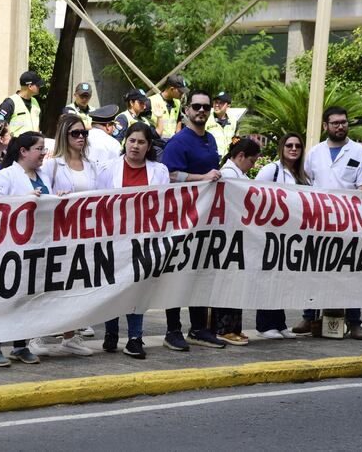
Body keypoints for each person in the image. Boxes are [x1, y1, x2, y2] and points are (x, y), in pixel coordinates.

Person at [294, 106, 362, 340]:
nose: (340, 126)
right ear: (325, 126)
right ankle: (309, 317)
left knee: (350, 272)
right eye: (335, 123)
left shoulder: (359, 152)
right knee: (315, 269)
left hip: (349, 223)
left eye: (344, 122)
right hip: (319, 223)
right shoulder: (315, 153)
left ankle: (355, 322)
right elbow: (306, 182)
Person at [98, 122, 171, 359]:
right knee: (113, 288)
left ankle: (135, 338)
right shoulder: (108, 169)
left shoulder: (159, 171)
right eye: (132, 141)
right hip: (114, 240)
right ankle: (111, 333)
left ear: (149, 146)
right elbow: (97, 202)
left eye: (141, 142)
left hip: (143, 242)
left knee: (136, 290)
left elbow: (164, 205)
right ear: (125, 142)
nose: (135, 146)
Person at [28, 114, 98, 358]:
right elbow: (43, 193)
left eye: (84, 133)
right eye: (75, 133)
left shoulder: (91, 164)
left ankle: (70, 336)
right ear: (64, 136)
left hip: (83, 233)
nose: (81, 137)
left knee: (75, 286)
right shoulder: (53, 164)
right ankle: (35, 335)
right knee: (49, 285)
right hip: (57, 233)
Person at [160, 90, 225, 350]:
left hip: (207, 219)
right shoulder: (178, 142)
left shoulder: (210, 139)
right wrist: (203, 178)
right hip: (181, 217)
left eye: (206, 107)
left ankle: (198, 329)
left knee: (201, 273)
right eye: (196, 106)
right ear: (186, 110)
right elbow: (170, 175)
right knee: (176, 274)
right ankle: (172, 330)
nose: (201, 110)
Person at [0, 131, 51, 367]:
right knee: (5, 298)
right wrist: (24, 199)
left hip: (37, 246)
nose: (43, 153)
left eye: (43, 149)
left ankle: (19, 345)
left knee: (26, 298)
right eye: (39, 149)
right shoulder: (6, 175)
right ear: (23, 151)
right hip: (10, 248)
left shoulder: (44, 175)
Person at [255, 133, 310, 340]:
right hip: (271, 234)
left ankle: (279, 323)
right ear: (282, 147)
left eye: (297, 145)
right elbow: (255, 194)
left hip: (293, 237)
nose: (293, 148)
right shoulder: (272, 170)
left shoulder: (303, 175)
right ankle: (264, 324)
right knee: (269, 278)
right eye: (289, 145)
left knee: (283, 281)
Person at [213, 137, 261, 346]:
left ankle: (234, 327)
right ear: (240, 156)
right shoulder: (229, 175)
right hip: (228, 236)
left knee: (236, 283)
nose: (252, 166)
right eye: (252, 161)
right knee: (227, 284)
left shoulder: (236, 174)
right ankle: (223, 328)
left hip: (237, 236)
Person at [0, 71, 43, 136]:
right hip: (15, 144)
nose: (39, 87)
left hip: (34, 144)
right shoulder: (10, 103)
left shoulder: (35, 102)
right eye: (38, 85)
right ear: (30, 86)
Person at [206, 92, 238, 156]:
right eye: (215, 102)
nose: (217, 105)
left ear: (228, 106)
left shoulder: (233, 121)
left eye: (220, 103)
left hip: (227, 161)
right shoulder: (206, 118)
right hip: (210, 160)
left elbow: (236, 139)